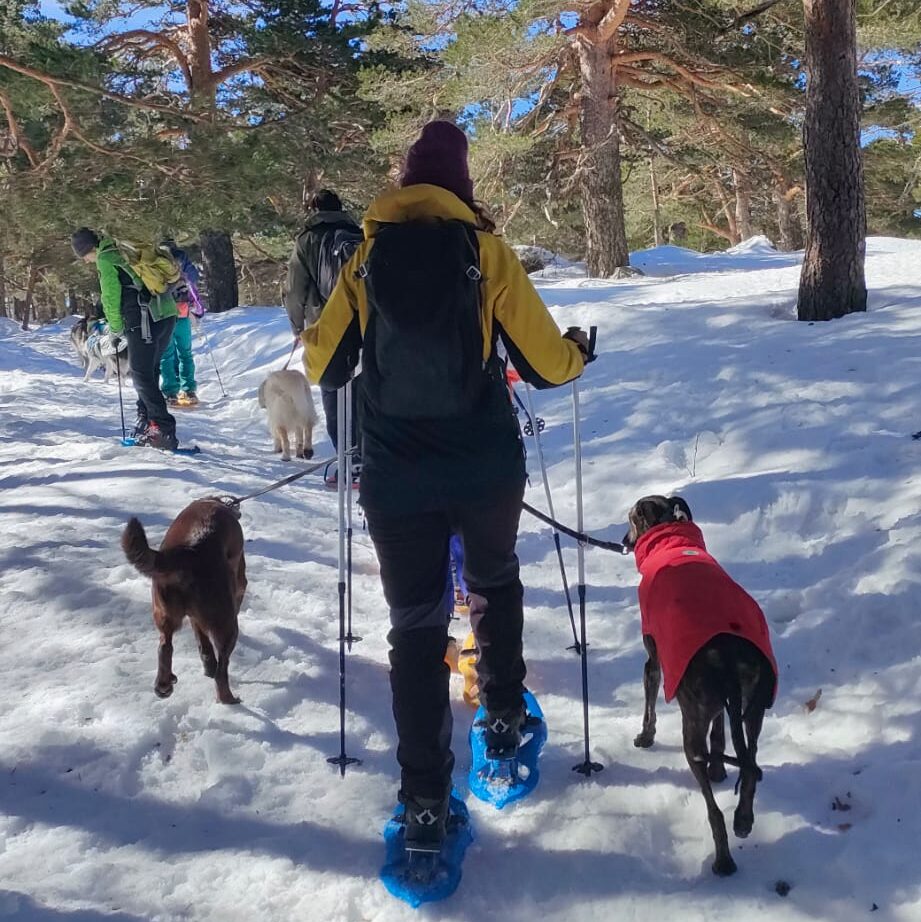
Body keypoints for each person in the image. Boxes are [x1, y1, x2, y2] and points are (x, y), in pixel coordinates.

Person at [304, 121, 590, 853]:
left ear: (405, 183)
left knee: (415, 625)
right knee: (492, 583)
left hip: (395, 472)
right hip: (483, 463)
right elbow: (546, 366)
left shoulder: (366, 257)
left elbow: (322, 367)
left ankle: (425, 800)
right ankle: (502, 723)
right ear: (461, 184)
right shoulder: (485, 253)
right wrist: (578, 353)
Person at [71, 228, 179, 449]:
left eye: (84, 256)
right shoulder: (122, 247)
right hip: (166, 313)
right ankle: (147, 421)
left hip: (144, 319)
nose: (86, 261)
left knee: (140, 374)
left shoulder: (106, 258)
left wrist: (115, 330)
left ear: (88, 249)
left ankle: (162, 429)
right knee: (150, 370)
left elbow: (110, 298)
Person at [284, 190, 361, 479]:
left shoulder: (307, 239)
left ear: (314, 209)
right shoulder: (360, 234)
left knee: (333, 389)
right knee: (361, 391)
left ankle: (349, 461)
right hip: (361, 322)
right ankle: (366, 457)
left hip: (325, 323)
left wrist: (297, 327)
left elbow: (295, 290)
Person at [159, 239, 201, 408]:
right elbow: (194, 279)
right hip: (183, 312)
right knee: (185, 353)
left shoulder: (156, 263)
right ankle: (189, 390)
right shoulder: (183, 261)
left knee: (166, 355)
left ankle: (170, 392)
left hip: (165, 314)